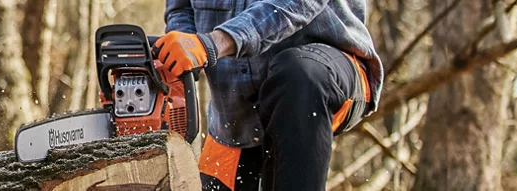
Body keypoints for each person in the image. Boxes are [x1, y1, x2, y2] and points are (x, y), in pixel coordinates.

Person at [155, 0, 383, 190]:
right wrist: (181, 50)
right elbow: (180, 9)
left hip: (322, 76)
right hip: (234, 117)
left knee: (297, 75)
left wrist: (214, 43)